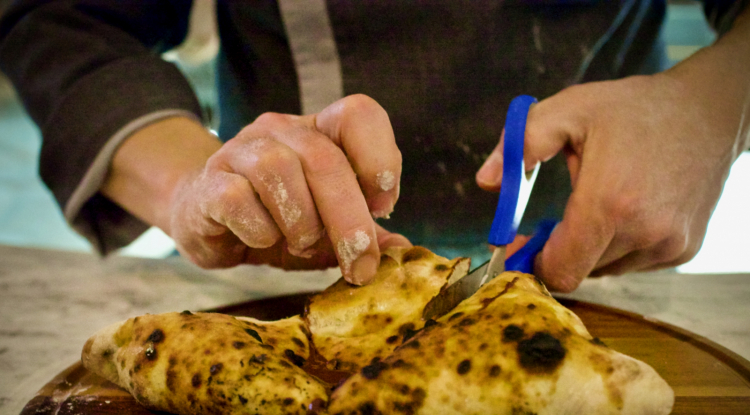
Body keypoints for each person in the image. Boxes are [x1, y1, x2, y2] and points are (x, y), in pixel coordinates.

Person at [0, 0, 748, 292]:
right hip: (270, 289)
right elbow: (62, 21)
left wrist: (714, 105)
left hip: (603, 274)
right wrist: (192, 185)